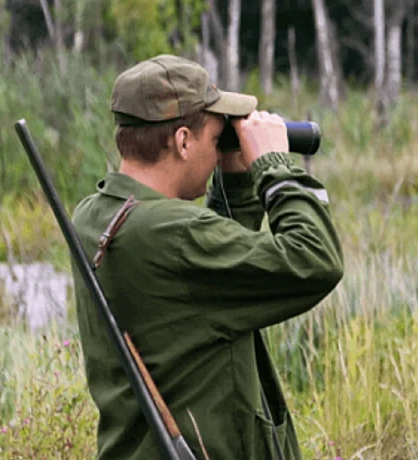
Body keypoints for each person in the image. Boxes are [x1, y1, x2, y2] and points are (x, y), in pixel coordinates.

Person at [71, 54, 343, 460]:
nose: (219, 154)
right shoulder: (174, 234)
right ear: (182, 141)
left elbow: (196, 284)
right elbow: (316, 259)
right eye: (217, 140)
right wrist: (273, 166)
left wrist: (234, 186)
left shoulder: (94, 215)